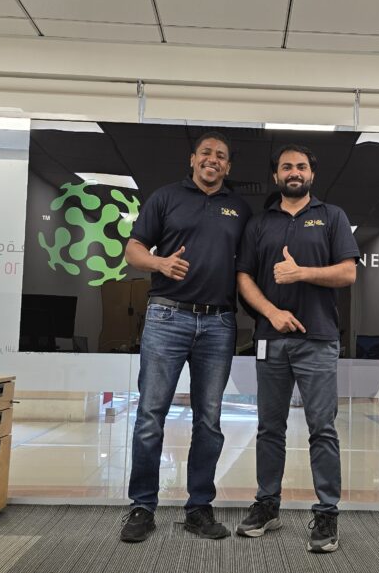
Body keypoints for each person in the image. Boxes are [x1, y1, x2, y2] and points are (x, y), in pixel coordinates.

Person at [119, 131, 252, 543]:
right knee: (150, 415)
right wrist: (159, 263)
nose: (213, 159)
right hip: (167, 317)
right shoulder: (165, 198)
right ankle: (142, 506)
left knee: (209, 420)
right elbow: (133, 249)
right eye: (206, 153)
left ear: (228, 166)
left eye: (221, 156)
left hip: (218, 323)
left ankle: (199, 508)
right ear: (192, 159)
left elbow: (249, 264)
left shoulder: (239, 209)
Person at [234, 144, 359, 553]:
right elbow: (243, 277)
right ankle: (267, 505)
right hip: (271, 340)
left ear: (311, 174)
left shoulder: (332, 216)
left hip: (318, 340)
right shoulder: (258, 224)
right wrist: (271, 312)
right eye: (286, 166)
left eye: (301, 166)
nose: (294, 172)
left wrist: (300, 272)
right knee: (269, 428)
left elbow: (348, 273)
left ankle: (326, 514)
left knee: (322, 428)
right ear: (275, 176)